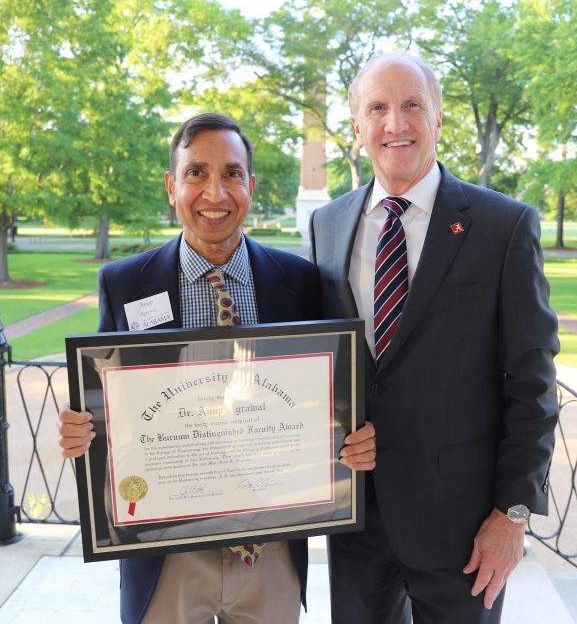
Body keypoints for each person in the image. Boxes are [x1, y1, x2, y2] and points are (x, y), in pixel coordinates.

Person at [57, 113, 376, 624]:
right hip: (167, 554)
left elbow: (326, 401)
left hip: (270, 552)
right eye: (196, 173)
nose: (214, 193)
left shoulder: (300, 283)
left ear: (250, 185)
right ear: (171, 186)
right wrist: (82, 428)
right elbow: (108, 404)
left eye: (231, 174)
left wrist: (353, 438)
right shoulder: (124, 285)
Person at [309, 53, 560, 624]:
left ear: (439, 118)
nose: (395, 123)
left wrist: (512, 514)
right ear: (357, 127)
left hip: (465, 529)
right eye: (377, 108)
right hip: (356, 522)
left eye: (411, 105)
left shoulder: (503, 226)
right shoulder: (328, 224)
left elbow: (533, 381)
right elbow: (322, 363)